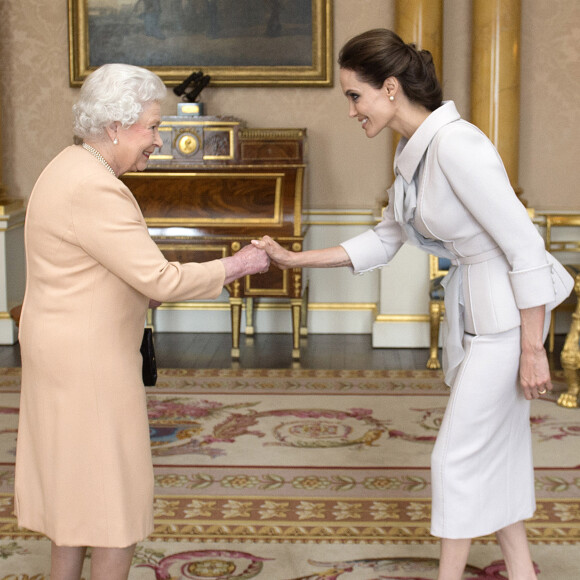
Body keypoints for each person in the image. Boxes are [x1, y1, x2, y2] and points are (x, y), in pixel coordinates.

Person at [252, 29, 574, 580]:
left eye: (355, 95)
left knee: (455, 459)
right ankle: (523, 571)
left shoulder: (459, 145)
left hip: (505, 324)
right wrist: (293, 259)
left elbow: (525, 247)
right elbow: (386, 238)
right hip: (476, 316)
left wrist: (532, 348)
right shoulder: (411, 152)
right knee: (492, 453)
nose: (351, 110)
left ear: (391, 87)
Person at [14, 63, 269, 580]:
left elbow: (97, 269)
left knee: (73, 498)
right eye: (152, 126)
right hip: (89, 363)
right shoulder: (96, 187)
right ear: (115, 127)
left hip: (60, 351)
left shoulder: (66, 167)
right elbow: (161, 280)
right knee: (115, 503)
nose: (158, 139)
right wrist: (237, 265)